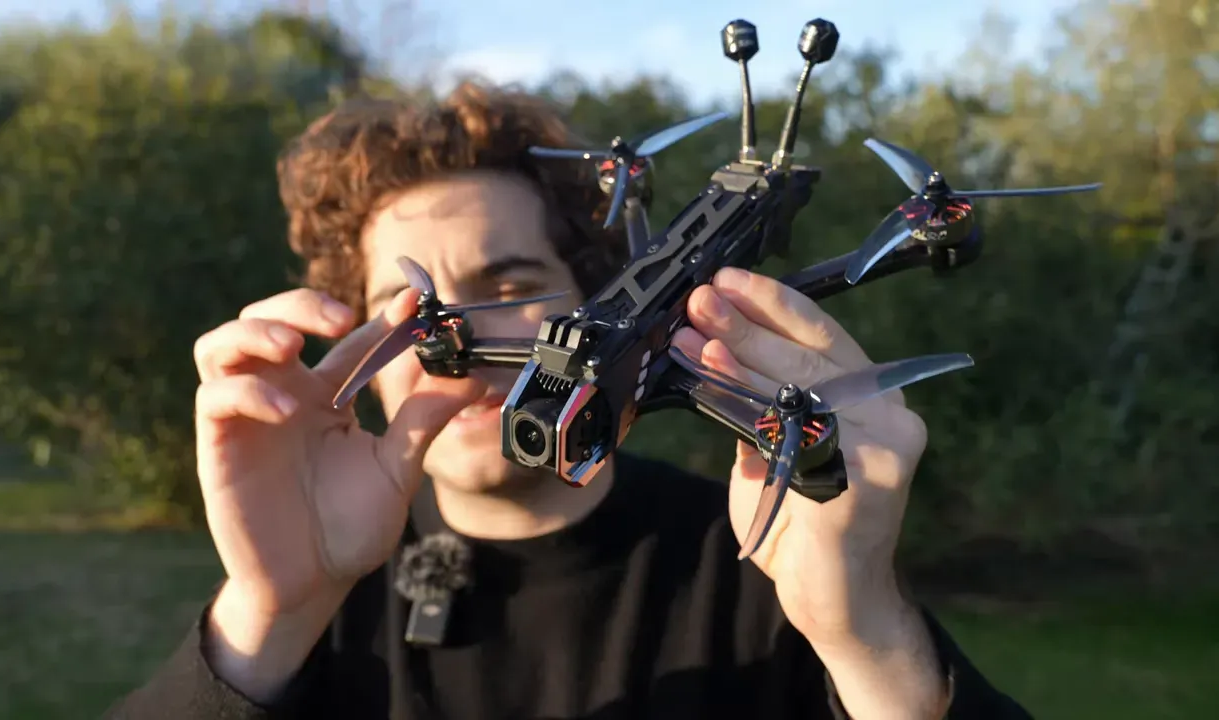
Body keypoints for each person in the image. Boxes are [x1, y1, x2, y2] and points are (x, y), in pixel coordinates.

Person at [105, 81, 1030, 719]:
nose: (461, 349)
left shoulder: (770, 567)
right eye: (419, 309)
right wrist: (267, 613)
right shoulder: (316, 602)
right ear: (362, 346)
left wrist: (866, 632)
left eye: (507, 284)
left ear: (588, 291)